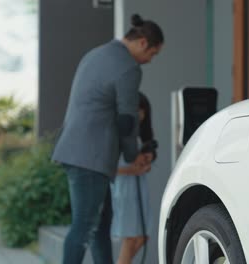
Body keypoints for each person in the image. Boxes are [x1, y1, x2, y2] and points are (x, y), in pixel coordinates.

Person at [51, 14, 164, 264]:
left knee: (100, 227)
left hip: (76, 150)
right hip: (90, 156)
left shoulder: (96, 54)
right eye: (153, 54)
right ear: (143, 43)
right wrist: (134, 156)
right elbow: (127, 121)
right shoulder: (128, 67)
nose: (150, 61)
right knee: (83, 228)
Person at [111, 92, 157, 264]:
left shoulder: (138, 136)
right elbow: (110, 167)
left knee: (143, 236)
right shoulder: (117, 134)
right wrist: (132, 170)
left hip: (138, 188)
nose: (141, 115)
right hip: (123, 189)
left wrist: (146, 164)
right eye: (138, 110)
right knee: (130, 237)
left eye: (143, 111)